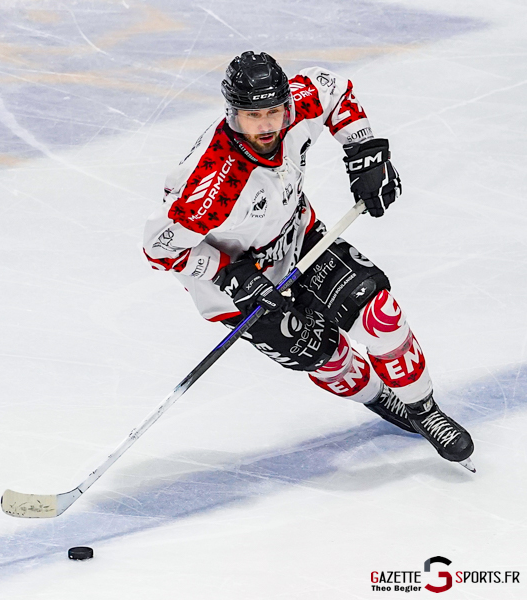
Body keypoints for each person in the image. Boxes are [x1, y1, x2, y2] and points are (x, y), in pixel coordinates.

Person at [142, 51, 474, 467]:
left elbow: (332, 88)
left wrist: (365, 151)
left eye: (274, 111)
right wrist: (230, 273)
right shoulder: (214, 182)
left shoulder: (298, 107)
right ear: (232, 113)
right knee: (328, 357)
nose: (266, 126)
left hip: (297, 238)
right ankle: (378, 397)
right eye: (252, 115)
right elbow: (159, 248)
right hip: (237, 289)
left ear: (286, 103)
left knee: (381, 315)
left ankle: (424, 411)